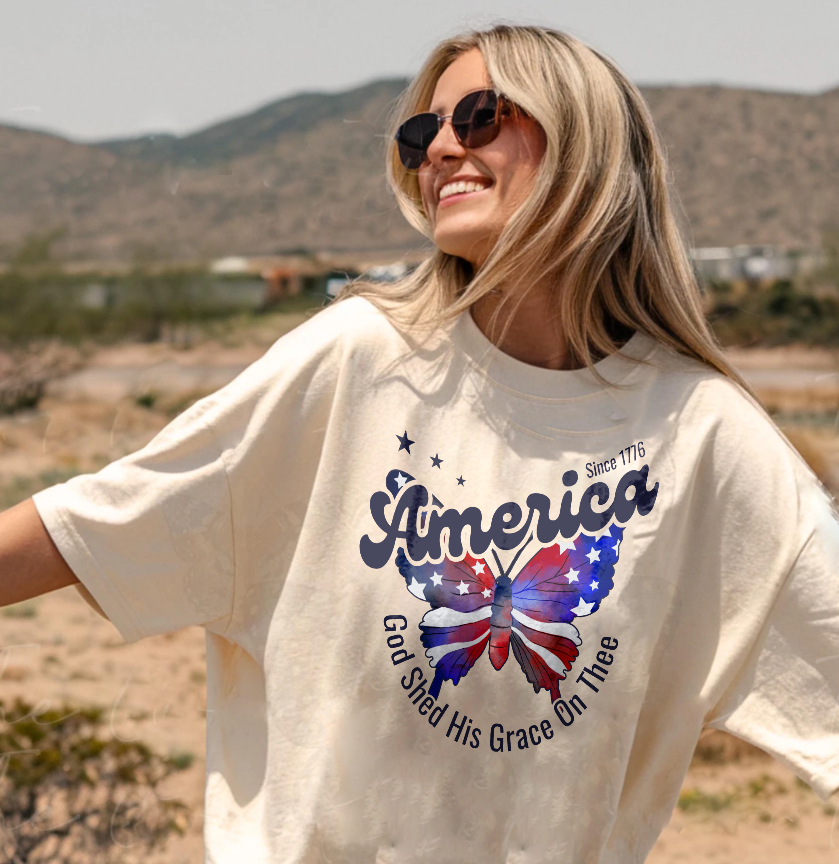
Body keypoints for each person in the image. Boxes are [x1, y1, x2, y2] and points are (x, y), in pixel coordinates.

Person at [2, 22, 838, 864]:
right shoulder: (355, 362)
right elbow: (82, 530)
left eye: (480, 116)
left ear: (583, 142)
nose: (438, 149)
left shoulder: (700, 430)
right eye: (420, 133)